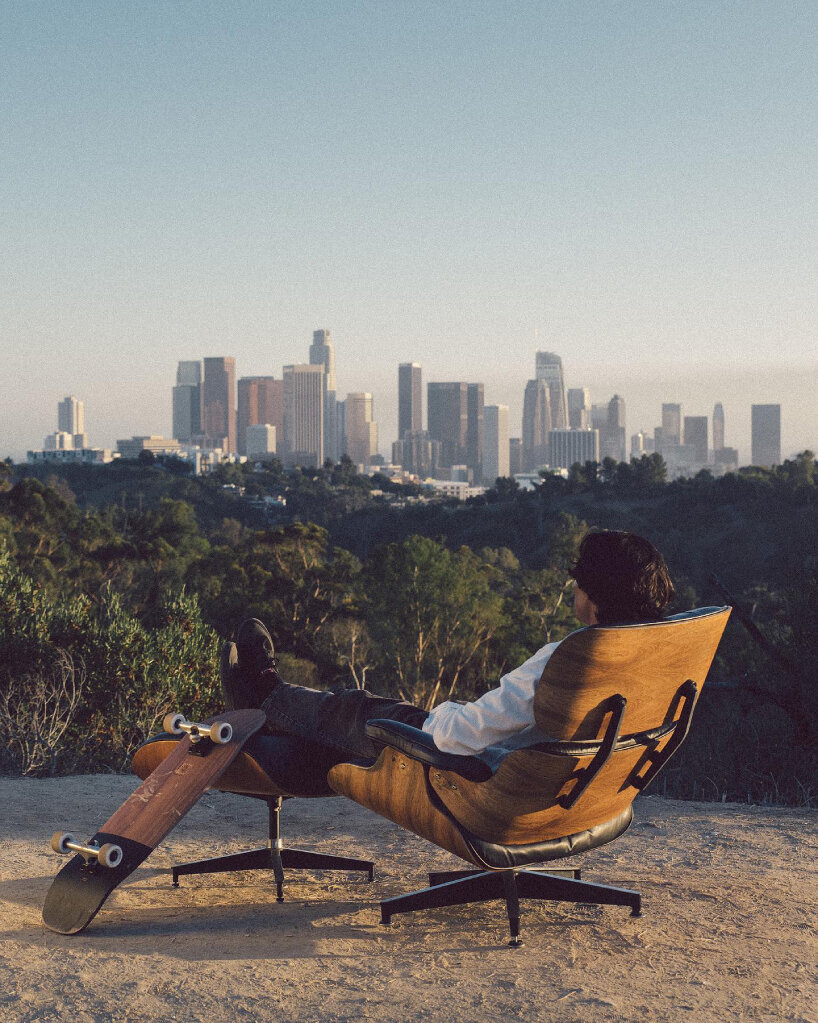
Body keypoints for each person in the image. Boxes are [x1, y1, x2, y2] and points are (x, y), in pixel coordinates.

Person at [221, 530, 674, 761]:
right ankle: (275, 715)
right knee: (366, 714)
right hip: (559, 784)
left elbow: (462, 737)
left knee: (359, 710)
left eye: (579, 579)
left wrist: (434, 718)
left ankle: (263, 695)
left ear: (593, 593)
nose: (573, 584)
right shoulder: (648, 656)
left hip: (478, 772)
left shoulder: (567, 661)